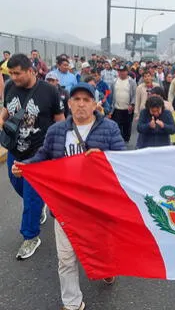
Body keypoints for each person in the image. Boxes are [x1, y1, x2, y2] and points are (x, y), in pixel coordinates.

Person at [13, 82, 125, 310]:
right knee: (66, 257)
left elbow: (122, 159)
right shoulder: (56, 131)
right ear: (69, 104)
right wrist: (25, 166)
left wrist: (104, 157)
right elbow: (44, 155)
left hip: (98, 206)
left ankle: (107, 268)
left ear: (94, 104)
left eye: (86, 100)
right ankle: (72, 303)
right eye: (76, 100)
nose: (81, 104)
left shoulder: (110, 128)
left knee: (102, 247)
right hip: (65, 206)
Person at [1, 53, 65, 260]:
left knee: (30, 197)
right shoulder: (10, 86)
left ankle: (31, 236)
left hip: (38, 154)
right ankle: (39, 205)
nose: (14, 77)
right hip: (14, 150)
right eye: (11, 73)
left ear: (30, 70)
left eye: (17, 73)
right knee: (17, 186)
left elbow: (59, 121)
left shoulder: (49, 92)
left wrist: (57, 149)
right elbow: (6, 109)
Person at [109, 65, 136, 144]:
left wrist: (132, 104)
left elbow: (134, 95)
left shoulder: (132, 82)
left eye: (123, 71)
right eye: (120, 71)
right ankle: (118, 141)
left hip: (127, 109)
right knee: (117, 126)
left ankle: (126, 140)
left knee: (127, 126)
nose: (121, 73)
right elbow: (111, 95)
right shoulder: (114, 82)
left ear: (127, 72)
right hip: (117, 108)